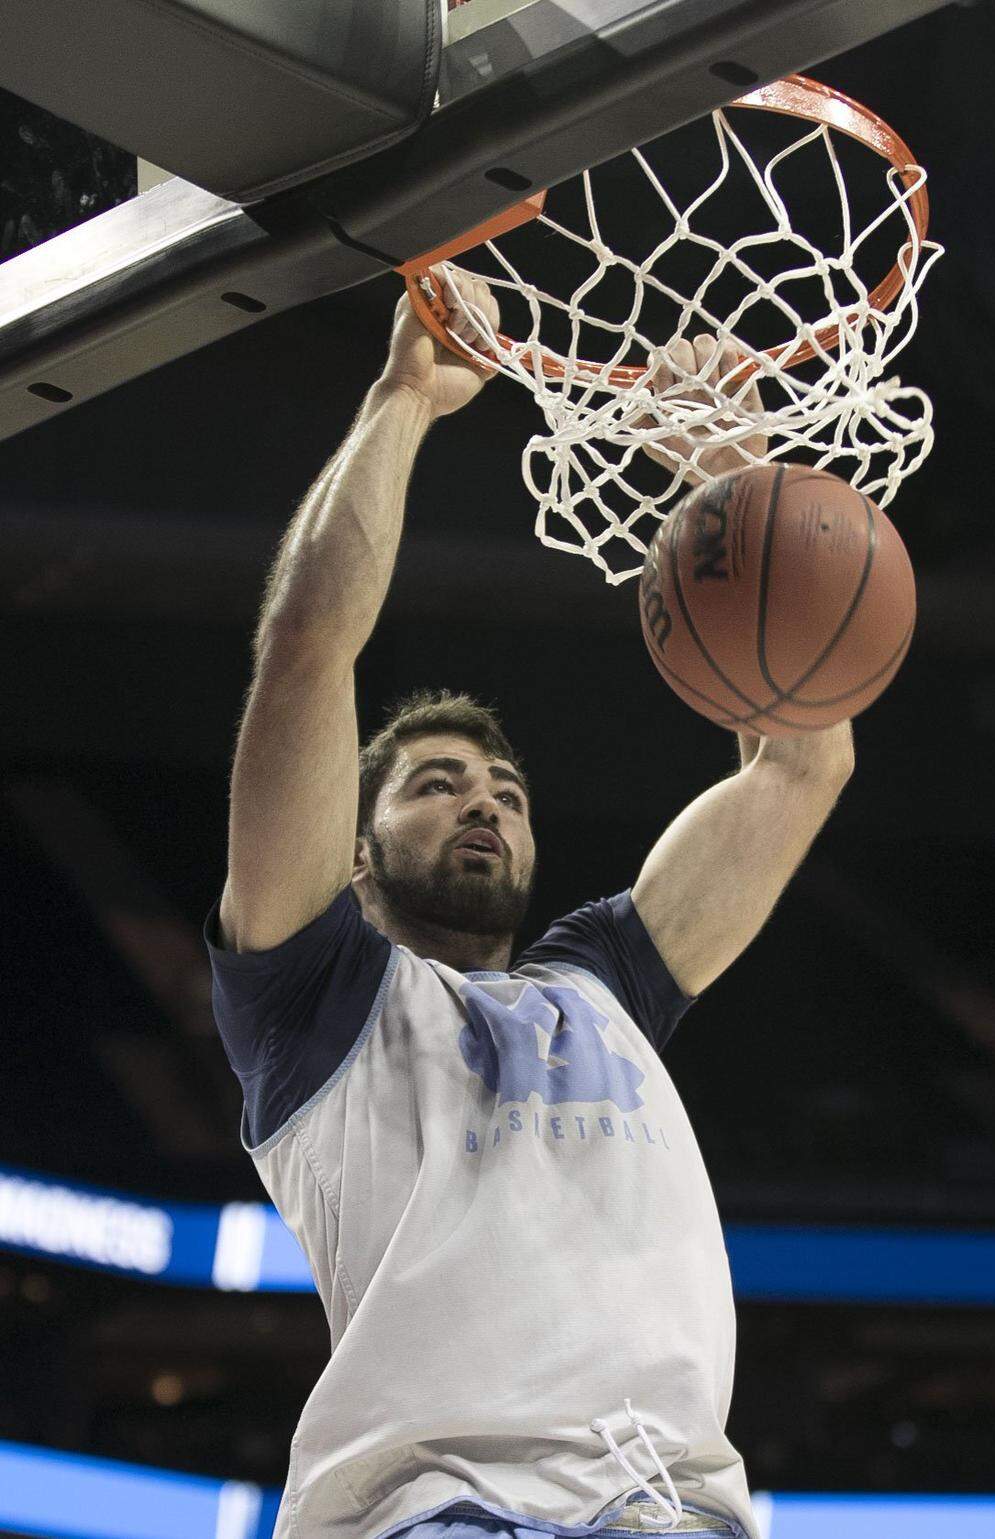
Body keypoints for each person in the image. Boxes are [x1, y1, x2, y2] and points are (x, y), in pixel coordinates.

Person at [204, 271, 854, 1539]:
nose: (482, 804)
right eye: (436, 787)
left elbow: (803, 763)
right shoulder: (313, 1000)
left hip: (671, 1512)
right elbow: (306, 651)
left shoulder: (603, 979)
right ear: (354, 854)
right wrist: (402, 399)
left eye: (501, 786)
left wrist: (730, 482)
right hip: (437, 1512)